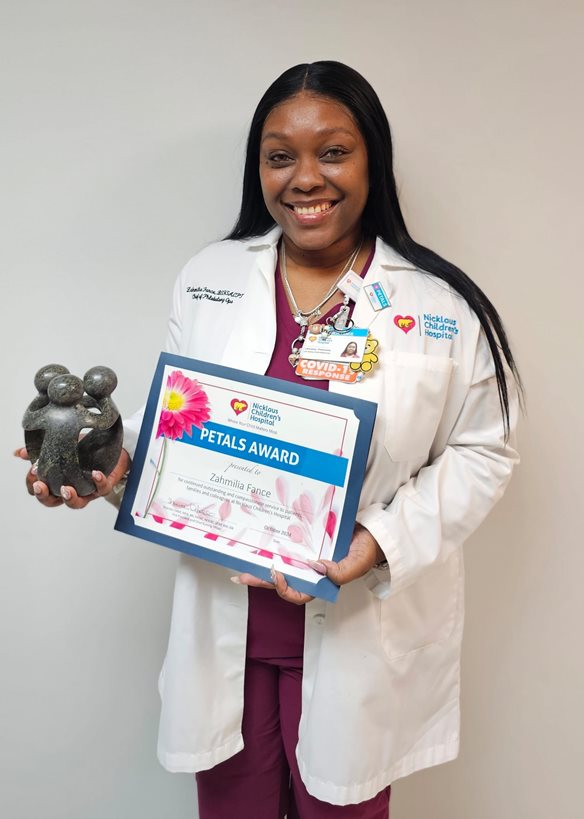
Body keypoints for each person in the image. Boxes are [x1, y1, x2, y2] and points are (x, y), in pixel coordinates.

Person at [17, 61, 521, 818]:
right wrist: (118, 473)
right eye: (280, 155)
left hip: (360, 632)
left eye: (333, 151)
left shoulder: (438, 304)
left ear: (372, 160)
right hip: (229, 638)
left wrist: (378, 542)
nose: (304, 178)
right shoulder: (210, 277)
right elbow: (187, 443)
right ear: (259, 169)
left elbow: (484, 451)